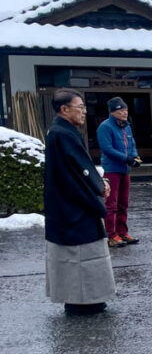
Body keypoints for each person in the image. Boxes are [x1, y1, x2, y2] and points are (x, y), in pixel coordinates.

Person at [43, 89, 116, 315]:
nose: (84, 111)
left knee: (75, 258)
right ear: (64, 110)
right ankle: (84, 301)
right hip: (73, 208)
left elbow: (78, 169)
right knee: (81, 256)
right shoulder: (62, 134)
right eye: (80, 107)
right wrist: (99, 187)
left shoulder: (62, 132)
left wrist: (96, 184)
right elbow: (78, 172)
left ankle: (81, 300)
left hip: (66, 207)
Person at [96, 96, 142, 247]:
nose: (124, 112)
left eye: (125, 109)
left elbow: (132, 143)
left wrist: (135, 157)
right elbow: (107, 149)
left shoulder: (126, 126)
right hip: (112, 170)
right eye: (120, 110)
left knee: (123, 203)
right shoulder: (105, 127)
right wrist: (126, 158)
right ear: (112, 112)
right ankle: (111, 235)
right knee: (111, 204)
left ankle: (122, 232)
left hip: (124, 169)